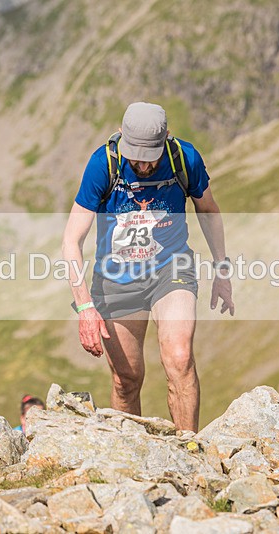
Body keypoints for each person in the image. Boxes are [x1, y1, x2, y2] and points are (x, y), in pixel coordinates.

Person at [62, 102, 234, 432]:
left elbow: (209, 211)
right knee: (127, 379)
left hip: (171, 270)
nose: (141, 163)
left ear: (166, 139)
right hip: (116, 279)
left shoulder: (184, 159)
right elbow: (72, 239)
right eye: (134, 153)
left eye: (148, 155)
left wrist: (221, 271)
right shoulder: (104, 164)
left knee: (180, 359)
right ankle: (133, 454)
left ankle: (190, 449)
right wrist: (85, 307)